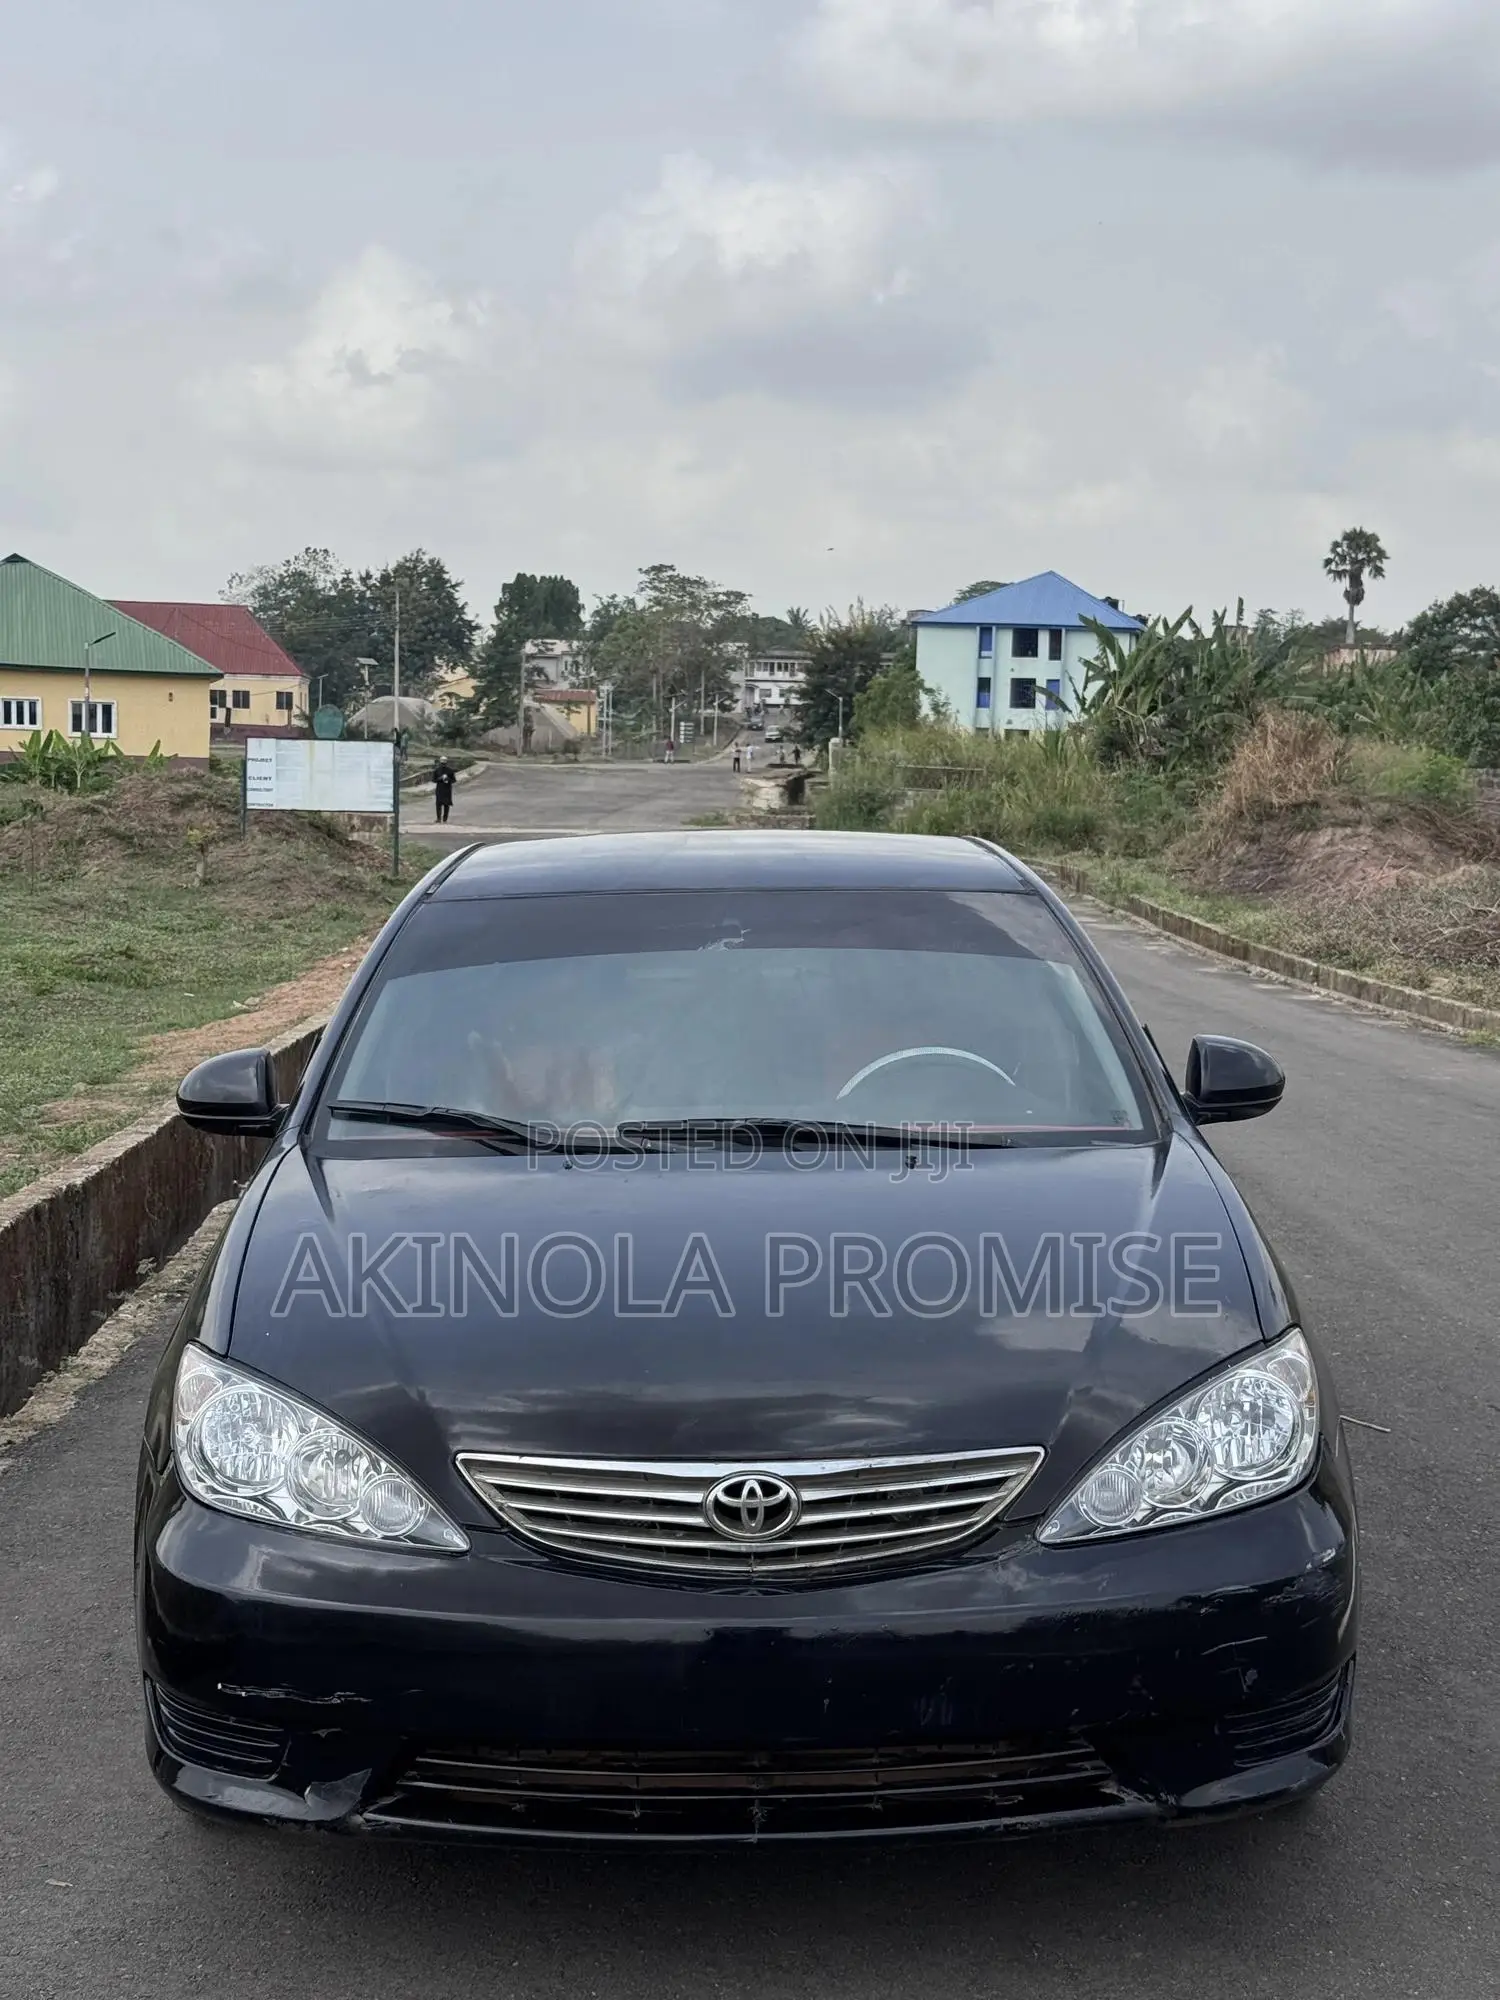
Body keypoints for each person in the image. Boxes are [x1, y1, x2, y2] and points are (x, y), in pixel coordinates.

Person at [432, 758, 456, 825]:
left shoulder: (450, 770)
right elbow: (433, 780)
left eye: (444, 763)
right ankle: (439, 818)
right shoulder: (437, 770)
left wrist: (448, 779)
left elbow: (454, 780)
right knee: (438, 804)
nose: (443, 765)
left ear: (446, 763)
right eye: (442, 763)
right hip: (440, 789)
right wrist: (440, 778)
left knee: (446, 804)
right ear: (440, 763)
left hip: (447, 789)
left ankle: (445, 819)